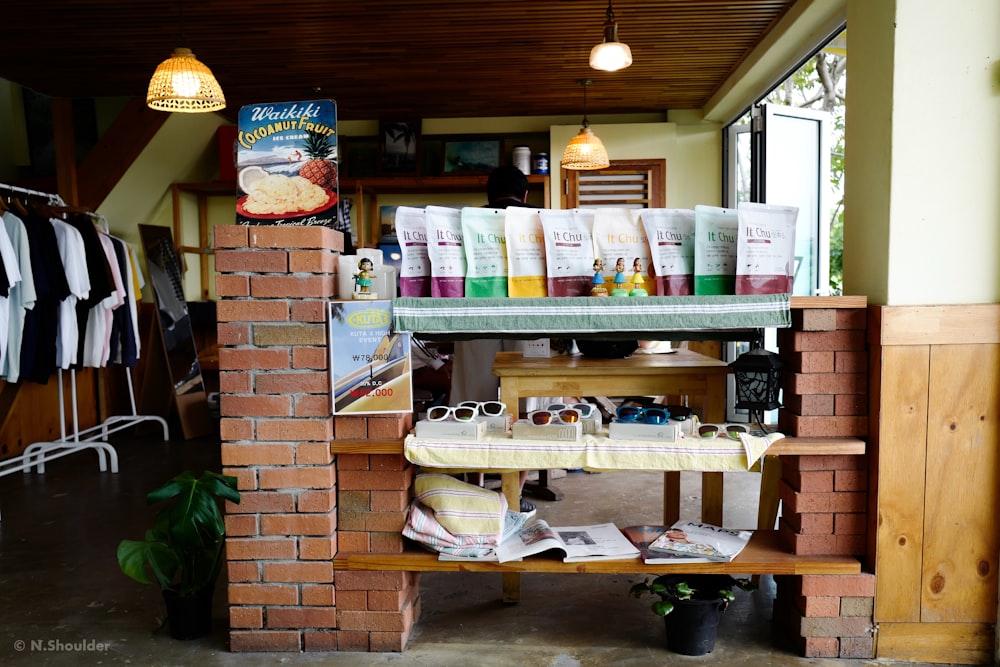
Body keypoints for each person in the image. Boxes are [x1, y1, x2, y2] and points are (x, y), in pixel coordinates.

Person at [450, 165, 538, 515]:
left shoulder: (468, 221)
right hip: (530, 316)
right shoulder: (536, 219)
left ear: (487, 196)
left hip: (477, 314)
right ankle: (514, 492)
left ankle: (478, 487)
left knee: (474, 396)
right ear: (526, 195)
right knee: (528, 403)